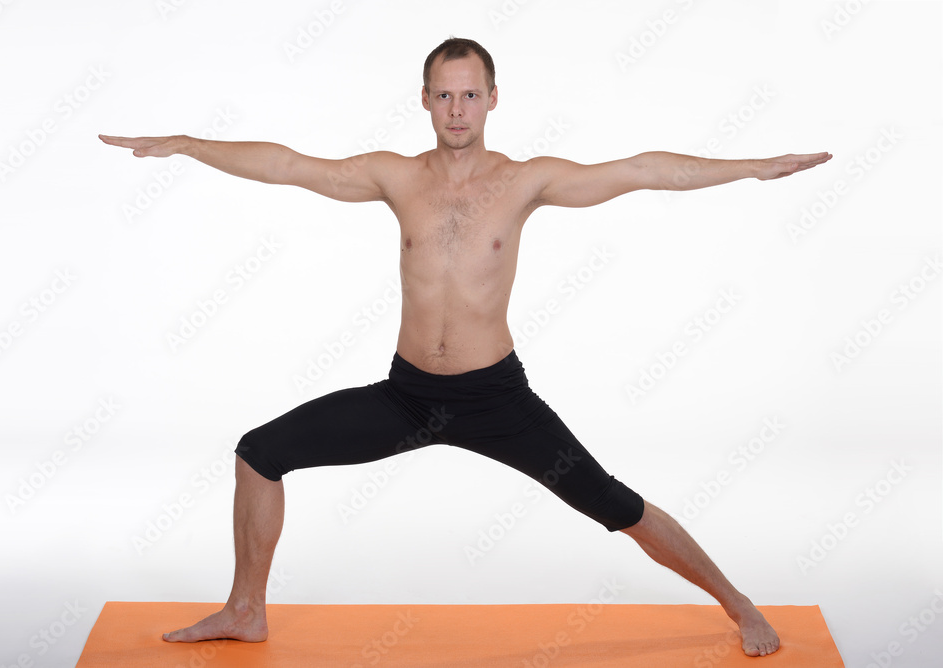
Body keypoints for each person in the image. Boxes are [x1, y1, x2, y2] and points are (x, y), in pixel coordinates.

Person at [100, 37, 830, 658]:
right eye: (444, 96)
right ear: (424, 100)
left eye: (469, 96)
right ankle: (245, 610)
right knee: (259, 452)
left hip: (496, 400)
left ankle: (738, 603)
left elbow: (643, 171)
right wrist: (190, 145)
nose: (457, 110)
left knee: (614, 504)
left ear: (492, 99)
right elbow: (290, 165)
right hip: (407, 395)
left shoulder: (522, 182)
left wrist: (749, 167)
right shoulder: (396, 175)